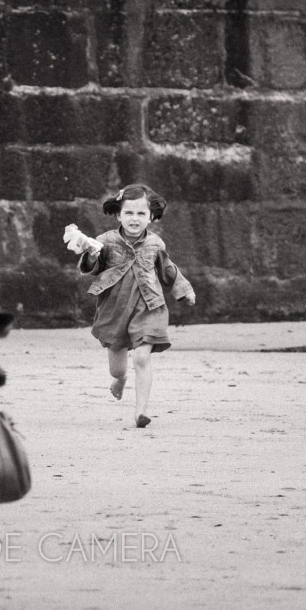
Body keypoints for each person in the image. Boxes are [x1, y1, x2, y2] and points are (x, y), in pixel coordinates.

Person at [64, 183, 196, 428]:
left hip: (149, 306)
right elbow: (90, 266)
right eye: (129, 213)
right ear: (118, 215)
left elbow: (168, 269)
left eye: (141, 214)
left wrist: (183, 290)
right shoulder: (105, 241)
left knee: (142, 358)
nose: (135, 219)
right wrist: (91, 253)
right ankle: (120, 379)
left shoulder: (156, 244)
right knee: (117, 368)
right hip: (115, 309)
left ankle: (140, 412)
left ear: (151, 217)